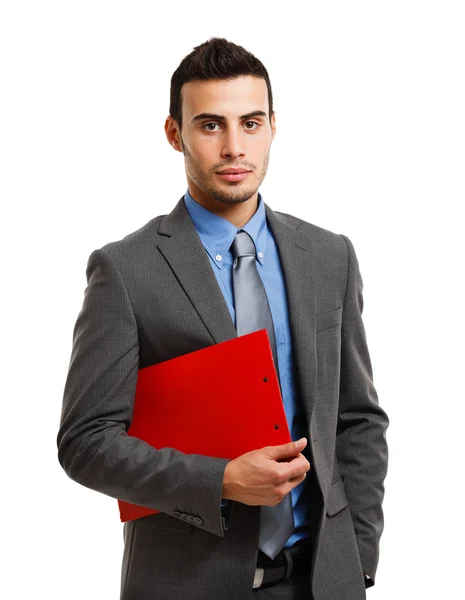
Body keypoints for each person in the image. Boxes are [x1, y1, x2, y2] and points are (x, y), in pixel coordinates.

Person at [57, 37, 389, 600]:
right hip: (188, 583)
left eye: (251, 123)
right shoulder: (126, 270)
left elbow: (357, 420)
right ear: (174, 133)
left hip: (320, 582)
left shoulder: (330, 256)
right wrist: (222, 480)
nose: (235, 147)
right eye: (211, 125)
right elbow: (86, 441)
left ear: (273, 127)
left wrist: (357, 563)